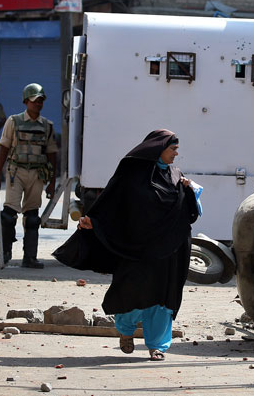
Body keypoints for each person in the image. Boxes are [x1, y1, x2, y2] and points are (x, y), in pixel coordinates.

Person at [60, 129, 198, 361]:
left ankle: (157, 346)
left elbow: (189, 211)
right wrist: (94, 221)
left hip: (170, 248)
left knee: (163, 297)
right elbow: (114, 202)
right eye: (172, 149)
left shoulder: (176, 175)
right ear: (159, 149)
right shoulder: (133, 173)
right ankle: (125, 331)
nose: (176, 154)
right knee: (132, 289)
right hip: (138, 245)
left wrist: (189, 190)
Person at [0, 83, 57, 268]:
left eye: (41, 100)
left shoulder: (47, 126)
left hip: (37, 174)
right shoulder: (13, 121)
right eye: (36, 100)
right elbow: (3, 149)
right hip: (16, 172)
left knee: (32, 218)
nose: (39, 104)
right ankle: (4, 254)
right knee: (8, 215)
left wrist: (52, 183)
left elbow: (52, 155)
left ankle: (30, 257)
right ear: (26, 101)